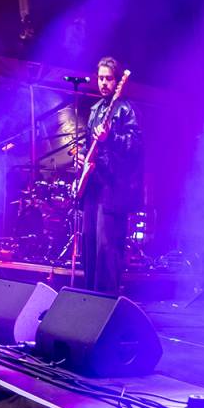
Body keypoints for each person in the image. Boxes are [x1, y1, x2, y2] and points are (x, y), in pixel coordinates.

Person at [78, 56, 142, 295]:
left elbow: (135, 146)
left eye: (108, 78)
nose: (104, 83)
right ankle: (88, 300)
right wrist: (82, 161)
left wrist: (110, 137)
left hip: (113, 189)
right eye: (101, 78)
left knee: (107, 248)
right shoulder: (95, 111)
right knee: (89, 244)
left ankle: (105, 302)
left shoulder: (126, 109)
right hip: (93, 186)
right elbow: (88, 146)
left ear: (117, 82)